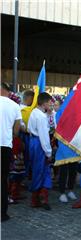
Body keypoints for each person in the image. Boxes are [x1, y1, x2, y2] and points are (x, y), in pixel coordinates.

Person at [27, 92, 53, 210]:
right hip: (39, 144)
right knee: (43, 170)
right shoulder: (41, 117)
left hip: (33, 142)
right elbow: (44, 136)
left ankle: (36, 198)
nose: (50, 105)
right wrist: (49, 153)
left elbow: (29, 128)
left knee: (36, 169)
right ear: (44, 103)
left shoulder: (34, 112)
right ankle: (41, 198)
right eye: (49, 103)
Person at [1, 83, 21, 222]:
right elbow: (16, 130)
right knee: (3, 180)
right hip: (5, 146)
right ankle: (2, 214)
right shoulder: (14, 106)